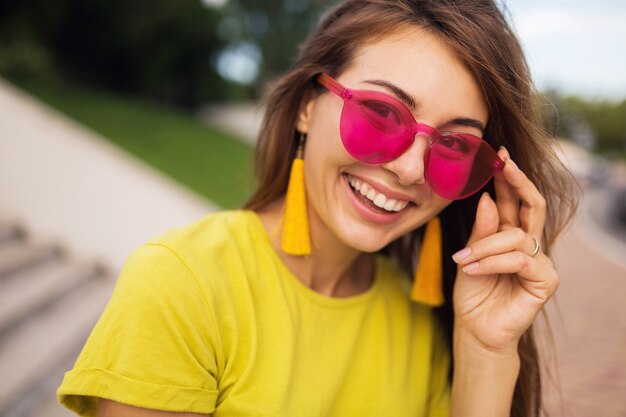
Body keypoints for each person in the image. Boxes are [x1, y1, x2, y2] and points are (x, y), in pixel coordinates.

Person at [57, 0, 579, 416]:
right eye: (381, 112)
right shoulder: (182, 283)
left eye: (455, 145)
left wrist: (486, 349)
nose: (411, 170)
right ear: (309, 104)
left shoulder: (425, 321)